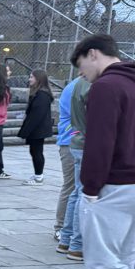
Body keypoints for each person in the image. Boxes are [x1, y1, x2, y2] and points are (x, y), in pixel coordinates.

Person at [63, 34, 135, 269]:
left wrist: (89, 189)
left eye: (82, 67)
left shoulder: (106, 88)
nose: (83, 75)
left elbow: (99, 142)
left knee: (102, 262)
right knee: (125, 260)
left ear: (93, 54)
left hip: (116, 185)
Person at [58, 76, 92, 261]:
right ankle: (72, 240)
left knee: (74, 191)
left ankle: (66, 237)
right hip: (75, 141)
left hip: (73, 141)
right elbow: (75, 120)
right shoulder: (83, 85)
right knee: (75, 191)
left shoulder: (75, 84)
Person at [54, 76, 81, 241]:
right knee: (71, 186)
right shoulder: (76, 87)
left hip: (76, 142)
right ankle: (61, 226)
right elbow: (79, 120)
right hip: (70, 143)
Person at [17, 69, 54, 185]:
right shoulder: (38, 93)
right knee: (34, 151)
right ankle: (38, 174)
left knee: (37, 152)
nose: (29, 79)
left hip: (38, 129)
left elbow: (36, 115)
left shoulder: (42, 95)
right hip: (38, 129)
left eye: (32, 77)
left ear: (38, 79)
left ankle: (39, 176)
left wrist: (25, 131)